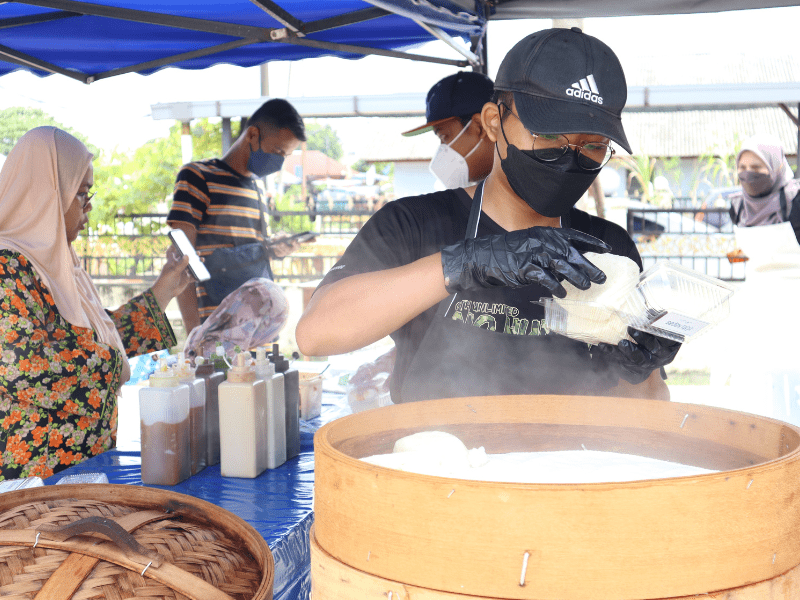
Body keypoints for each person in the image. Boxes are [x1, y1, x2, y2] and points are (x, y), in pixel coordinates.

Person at [297, 27, 680, 404]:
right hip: (435, 443)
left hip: (573, 444)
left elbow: (650, 403)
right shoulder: (413, 224)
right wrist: (465, 262)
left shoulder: (609, 248)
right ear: (494, 122)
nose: (570, 159)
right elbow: (315, 334)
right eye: (549, 136)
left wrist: (638, 369)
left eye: (593, 146)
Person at [0, 126, 193, 479]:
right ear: (46, 193)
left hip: (82, 468)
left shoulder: (59, 263)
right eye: (80, 193)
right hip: (33, 481)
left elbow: (92, 339)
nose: (89, 206)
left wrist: (162, 292)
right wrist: (113, 364)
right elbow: (21, 367)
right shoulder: (6, 267)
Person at [168, 99, 306, 334]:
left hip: (256, 331)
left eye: (286, 154)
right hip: (214, 331)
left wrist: (273, 248)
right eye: (278, 151)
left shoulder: (257, 189)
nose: (280, 161)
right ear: (252, 135)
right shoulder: (197, 177)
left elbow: (249, 254)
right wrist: (195, 336)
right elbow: (180, 260)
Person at [403, 70, 495, 189]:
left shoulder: (517, 188)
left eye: (444, 137)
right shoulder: (490, 192)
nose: (442, 150)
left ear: (480, 126)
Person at [729, 134, 800, 242]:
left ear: (777, 167)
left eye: (756, 167)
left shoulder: (794, 200)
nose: (748, 173)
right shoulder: (738, 206)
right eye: (742, 167)